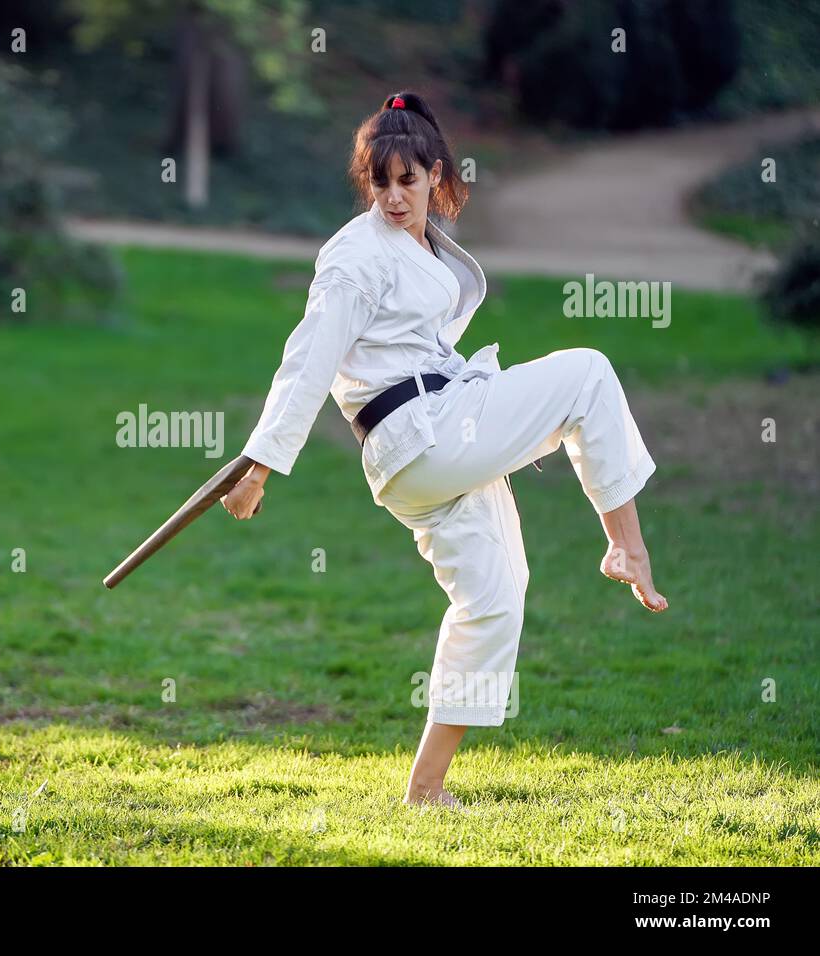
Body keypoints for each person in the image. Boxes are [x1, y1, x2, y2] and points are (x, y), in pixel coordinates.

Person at [220, 91, 668, 809]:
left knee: (494, 598)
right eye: (380, 182)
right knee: (587, 372)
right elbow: (307, 364)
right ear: (367, 182)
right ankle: (627, 547)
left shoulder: (420, 244)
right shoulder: (353, 259)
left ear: (435, 174)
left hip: (431, 444)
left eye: (409, 179)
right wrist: (259, 468)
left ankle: (426, 789)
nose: (394, 197)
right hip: (422, 437)